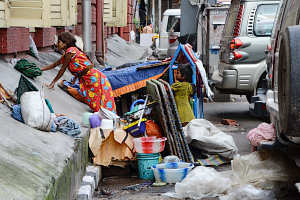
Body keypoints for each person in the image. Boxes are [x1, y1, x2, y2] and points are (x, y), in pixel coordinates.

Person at [41, 32, 116, 113]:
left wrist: (53, 82)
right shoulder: (67, 54)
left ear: (65, 44)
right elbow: (53, 65)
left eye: (59, 42)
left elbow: (62, 69)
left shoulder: (70, 51)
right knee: (99, 104)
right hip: (91, 78)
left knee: (100, 105)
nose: (56, 44)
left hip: (94, 79)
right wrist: (40, 69)